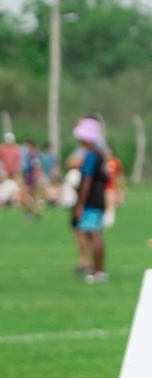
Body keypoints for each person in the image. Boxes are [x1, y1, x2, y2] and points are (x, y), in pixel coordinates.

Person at [71, 117, 109, 283]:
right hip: (99, 198)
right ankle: (97, 268)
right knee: (93, 232)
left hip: (91, 200)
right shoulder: (100, 154)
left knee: (94, 234)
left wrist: (80, 204)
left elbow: (87, 180)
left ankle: (98, 271)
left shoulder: (90, 156)